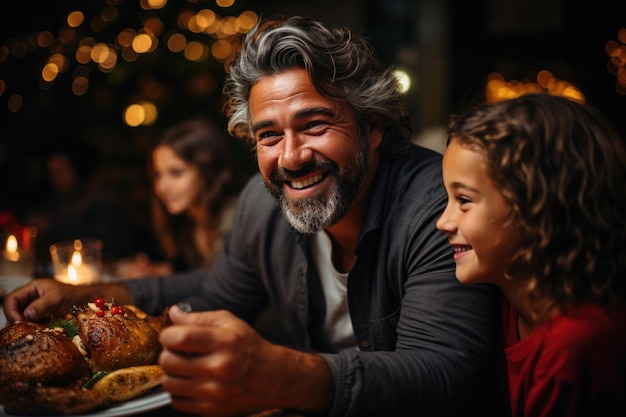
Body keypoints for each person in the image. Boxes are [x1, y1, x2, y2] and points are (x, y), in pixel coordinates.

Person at [4, 16, 498, 417]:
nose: (290, 157)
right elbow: (216, 294)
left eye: (315, 124)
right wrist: (94, 295)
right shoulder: (261, 204)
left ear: (371, 128)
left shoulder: (438, 205)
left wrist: (282, 375)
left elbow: (442, 376)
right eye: (268, 136)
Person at [436, 93, 626, 417]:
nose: (443, 222)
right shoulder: (506, 302)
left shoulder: (575, 348)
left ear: (537, 206)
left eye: (464, 200)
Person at [117, 117, 250, 278]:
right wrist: (157, 270)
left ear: (208, 170)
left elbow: (225, 284)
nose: (161, 187)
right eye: (157, 175)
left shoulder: (239, 218)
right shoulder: (189, 222)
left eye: (176, 173)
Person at [25, 139, 135, 264]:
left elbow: (104, 246)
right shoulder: (52, 203)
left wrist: (53, 226)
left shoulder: (104, 203)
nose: (57, 179)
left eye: (62, 172)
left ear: (77, 169)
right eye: (52, 174)